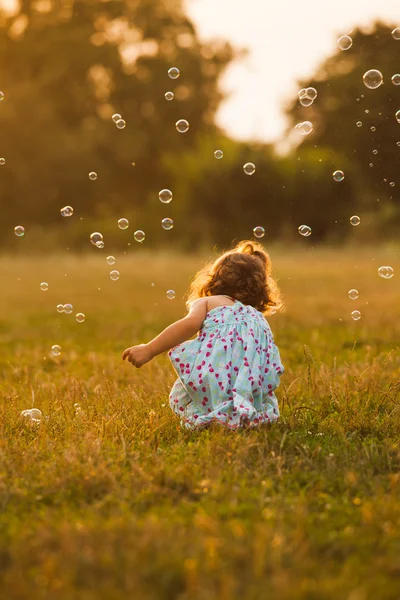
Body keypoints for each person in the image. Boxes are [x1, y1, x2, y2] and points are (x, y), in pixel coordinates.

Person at [122, 240, 284, 430]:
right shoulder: (257, 317)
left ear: (215, 278)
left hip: (216, 371)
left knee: (202, 389)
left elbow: (188, 325)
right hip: (252, 377)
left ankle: (217, 417)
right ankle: (243, 413)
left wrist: (149, 349)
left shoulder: (209, 301)